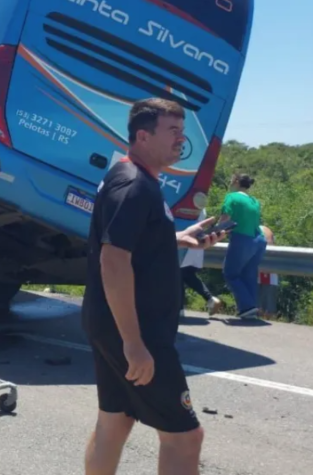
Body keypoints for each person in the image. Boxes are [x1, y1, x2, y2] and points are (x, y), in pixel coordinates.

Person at [81, 98, 226, 475]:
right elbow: (113, 261)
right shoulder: (134, 186)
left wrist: (179, 238)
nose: (182, 141)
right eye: (173, 132)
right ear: (143, 136)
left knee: (115, 420)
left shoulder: (131, 177)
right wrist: (133, 342)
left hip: (111, 321)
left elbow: (132, 240)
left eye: (183, 131)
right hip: (136, 328)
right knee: (184, 437)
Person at [219, 173, 265, 320]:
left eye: (231, 181)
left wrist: (215, 232)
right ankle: (251, 309)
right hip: (258, 240)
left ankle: (247, 306)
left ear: (237, 182)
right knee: (249, 274)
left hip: (242, 239)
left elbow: (225, 219)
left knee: (230, 273)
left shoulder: (232, 197)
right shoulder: (254, 201)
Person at [179, 209, 222, 317]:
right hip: (196, 246)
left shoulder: (183, 204)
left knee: (178, 275)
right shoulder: (201, 207)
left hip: (185, 244)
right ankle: (210, 298)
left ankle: (178, 308)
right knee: (186, 275)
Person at [258, 225, 280, 318]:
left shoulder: (260, 229)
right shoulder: (263, 229)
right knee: (261, 307)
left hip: (267, 268)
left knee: (266, 308)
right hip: (264, 266)